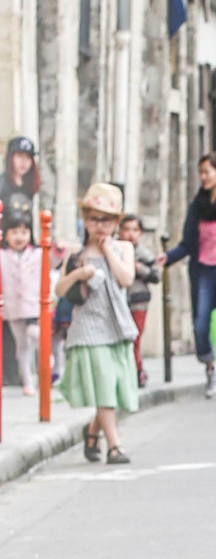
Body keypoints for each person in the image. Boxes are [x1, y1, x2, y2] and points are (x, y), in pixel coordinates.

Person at [55, 183, 138, 464]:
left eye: (106, 220)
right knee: (104, 386)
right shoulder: (76, 254)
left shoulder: (124, 247)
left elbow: (126, 279)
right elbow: (59, 290)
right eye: (93, 218)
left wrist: (109, 252)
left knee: (113, 389)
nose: (99, 226)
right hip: (89, 328)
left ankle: (92, 432)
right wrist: (81, 273)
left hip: (117, 326)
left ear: (116, 222)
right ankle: (114, 445)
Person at [157, 154, 216, 399]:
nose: (204, 177)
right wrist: (169, 257)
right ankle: (210, 367)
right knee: (200, 323)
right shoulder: (198, 205)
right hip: (203, 270)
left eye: (208, 172)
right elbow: (188, 242)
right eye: (201, 173)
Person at [1, 137, 40, 386]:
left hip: (24, 251)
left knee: (27, 311)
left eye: (28, 158)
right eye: (19, 157)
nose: (23, 162)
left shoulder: (29, 188)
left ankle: (24, 369)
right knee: (9, 314)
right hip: (5, 252)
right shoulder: (2, 184)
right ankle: (9, 370)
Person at [0, 208, 42, 396]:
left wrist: (58, 249)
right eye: (14, 232)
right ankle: (28, 380)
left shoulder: (37, 253)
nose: (19, 237)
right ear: (6, 234)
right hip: (12, 306)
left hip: (33, 304)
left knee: (35, 333)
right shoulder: (2, 255)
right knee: (21, 345)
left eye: (24, 232)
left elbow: (55, 261)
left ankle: (46, 355)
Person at [118, 214, 160, 388]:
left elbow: (156, 276)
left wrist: (140, 269)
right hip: (119, 302)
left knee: (135, 339)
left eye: (134, 230)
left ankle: (137, 371)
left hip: (138, 302)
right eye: (126, 230)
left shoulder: (145, 254)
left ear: (140, 233)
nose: (130, 234)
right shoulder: (115, 250)